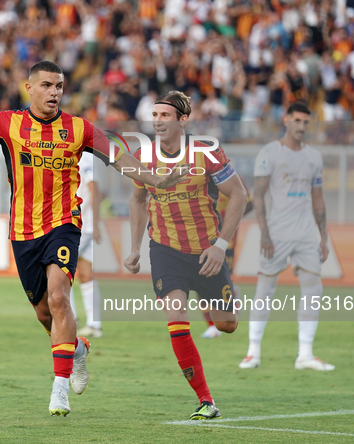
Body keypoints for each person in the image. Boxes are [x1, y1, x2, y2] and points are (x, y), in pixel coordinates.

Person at [0, 61, 185, 417]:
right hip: (22, 231)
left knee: (61, 296)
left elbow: (120, 157)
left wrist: (156, 179)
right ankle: (76, 348)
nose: (55, 92)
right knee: (45, 312)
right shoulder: (7, 123)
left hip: (64, 223)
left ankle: (58, 390)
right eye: (47, 85)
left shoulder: (79, 129)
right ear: (29, 88)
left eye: (59, 86)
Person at [124, 90, 247, 420]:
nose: (158, 121)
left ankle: (221, 296)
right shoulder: (143, 155)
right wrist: (135, 248)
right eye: (155, 115)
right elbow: (137, 200)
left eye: (165, 115)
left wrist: (221, 246)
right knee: (176, 319)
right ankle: (206, 399)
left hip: (206, 251)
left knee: (227, 325)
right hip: (164, 249)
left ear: (182, 120)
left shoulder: (206, 152)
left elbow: (239, 195)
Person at [239, 101, 335, 372]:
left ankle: (305, 354)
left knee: (313, 288)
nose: (302, 126)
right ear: (286, 120)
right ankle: (252, 352)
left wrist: (323, 237)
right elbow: (257, 195)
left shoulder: (314, 157)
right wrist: (264, 233)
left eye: (306, 122)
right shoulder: (269, 153)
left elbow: (318, 198)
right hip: (277, 232)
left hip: (306, 233)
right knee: (265, 289)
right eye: (297, 120)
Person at [200, 176, 253, 339]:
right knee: (201, 279)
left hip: (226, 239)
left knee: (220, 280)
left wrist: (230, 217)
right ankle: (211, 325)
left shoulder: (231, 178)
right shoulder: (196, 177)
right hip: (202, 237)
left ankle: (229, 306)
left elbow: (249, 204)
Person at [69, 152, 103, 338]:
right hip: (84, 225)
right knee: (85, 272)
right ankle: (94, 324)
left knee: (60, 270)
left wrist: (95, 223)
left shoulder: (83, 157)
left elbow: (95, 189)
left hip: (80, 225)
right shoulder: (82, 156)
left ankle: (70, 320)